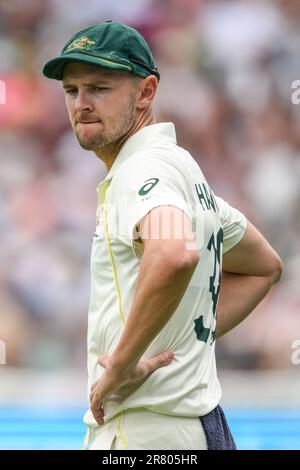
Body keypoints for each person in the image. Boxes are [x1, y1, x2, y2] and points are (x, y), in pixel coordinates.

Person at [43, 21, 283, 450]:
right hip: (195, 428)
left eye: (99, 88)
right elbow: (264, 266)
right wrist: (186, 340)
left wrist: (121, 363)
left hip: (144, 432)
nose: (81, 104)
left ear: (146, 92)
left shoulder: (142, 169)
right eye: (71, 90)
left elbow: (174, 254)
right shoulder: (180, 169)